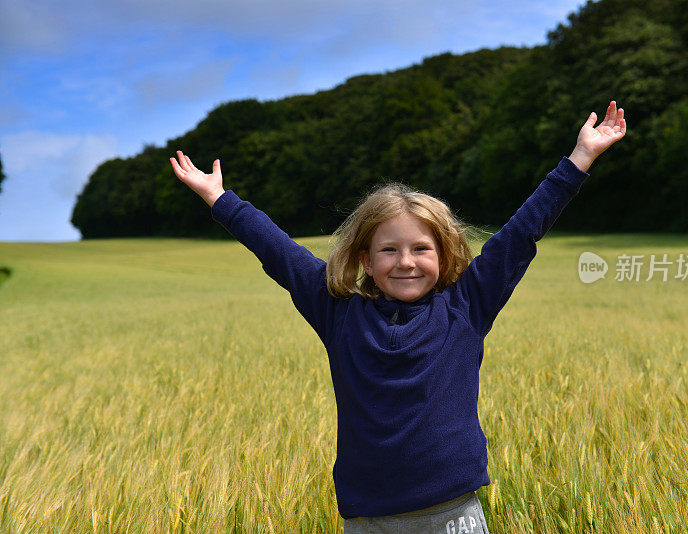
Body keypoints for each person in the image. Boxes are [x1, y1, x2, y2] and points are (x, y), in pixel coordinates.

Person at [170, 101, 626, 532]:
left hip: (453, 514)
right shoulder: (338, 313)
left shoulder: (467, 306)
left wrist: (580, 157)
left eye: (421, 249)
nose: (405, 262)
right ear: (366, 261)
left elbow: (521, 234)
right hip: (369, 519)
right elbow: (278, 252)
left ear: (443, 255)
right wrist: (220, 199)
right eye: (388, 250)